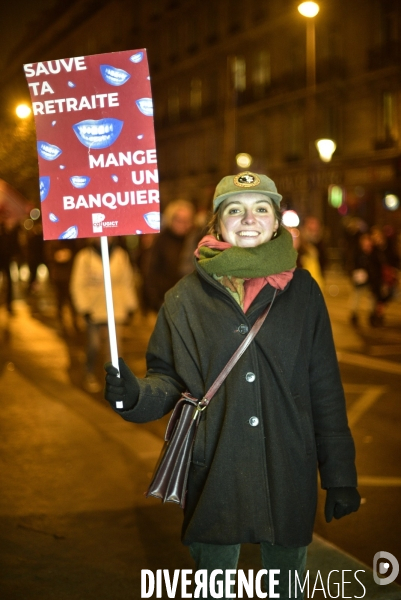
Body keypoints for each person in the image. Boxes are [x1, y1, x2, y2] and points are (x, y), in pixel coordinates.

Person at [104, 172, 360, 598]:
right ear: (217, 224)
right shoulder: (183, 299)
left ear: (276, 222)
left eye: (261, 209)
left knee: (287, 588)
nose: (248, 219)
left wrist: (340, 475)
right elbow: (167, 379)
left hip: (288, 468)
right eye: (234, 209)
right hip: (216, 471)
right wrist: (135, 396)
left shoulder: (305, 293)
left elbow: (324, 388)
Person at [70, 237, 138, 393]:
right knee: (93, 345)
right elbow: (77, 285)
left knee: (115, 349)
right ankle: (89, 372)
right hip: (93, 309)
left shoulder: (121, 255)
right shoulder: (84, 257)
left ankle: (113, 380)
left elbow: (127, 282)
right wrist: (83, 307)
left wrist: (130, 305)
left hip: (116, 309)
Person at [142, 199, 195, 312]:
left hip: (190, 301)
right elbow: (150, 271)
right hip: (166, 300)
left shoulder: (194, 240)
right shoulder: (161, 241)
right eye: (179, 219)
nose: (183, 224)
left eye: (186, 220)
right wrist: (155, 301)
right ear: (171, 219)